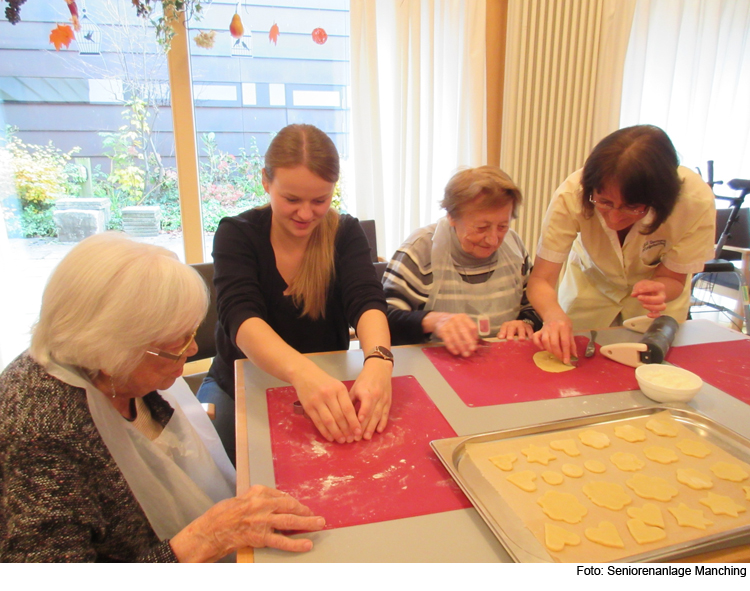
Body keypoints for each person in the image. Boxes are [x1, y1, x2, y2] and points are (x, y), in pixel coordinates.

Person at [0, 232, 324, 562]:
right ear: (114, 349)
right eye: (177, 344)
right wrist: (206, 538)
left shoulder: (117, 372)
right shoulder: (42, 431)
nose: (193, 349)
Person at [198, 123, 392, 457]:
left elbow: (366, 301)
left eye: (320, 200)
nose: (305, 214)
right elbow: (241, 318)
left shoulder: (345, 232)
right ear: (265, 181)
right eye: (291, 199)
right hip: (239, 386)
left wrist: (378, 361)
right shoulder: (237, 234)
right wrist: (301, 372)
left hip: (329, 385)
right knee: (220, 469)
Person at [527, 125, 716, 364]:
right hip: (590, 292)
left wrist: (661, 289)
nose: (614, 218)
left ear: (660, 199)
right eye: (604, 202)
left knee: (649, 374)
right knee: (579, 372)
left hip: (653, 312)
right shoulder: (572, 193)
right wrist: (553, 316)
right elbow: (541, 279)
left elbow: (674, 279)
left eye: (632, 207)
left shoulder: (693, 202)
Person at [382, 166, 542, 357]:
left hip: (503, 360)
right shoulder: (421, 250)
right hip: (436, 365)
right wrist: (434, 321)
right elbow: (383, 320)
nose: (493, 239)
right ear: (451, 217)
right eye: (482, 227)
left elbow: (535, 304)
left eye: (502, 226)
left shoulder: (513, 246)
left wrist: (526, 322)